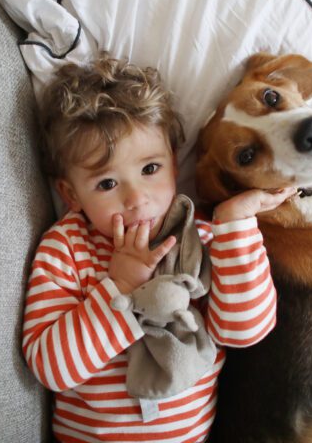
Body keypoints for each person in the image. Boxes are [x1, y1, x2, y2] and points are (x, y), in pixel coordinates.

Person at [23, 53, 296, 443]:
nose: (137, 199)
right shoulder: (66, 247)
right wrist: (118, 287)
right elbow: (50, 368)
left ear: (172, 161)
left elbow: (244, 331)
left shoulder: (200, 235)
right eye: (106, 184)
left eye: (150, 170)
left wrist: (235, 220)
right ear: (71, 194)